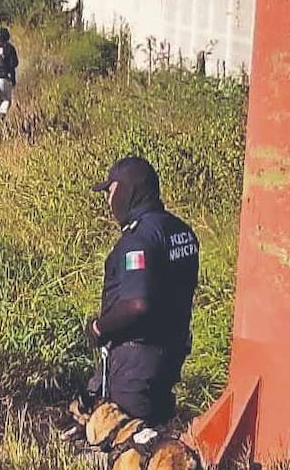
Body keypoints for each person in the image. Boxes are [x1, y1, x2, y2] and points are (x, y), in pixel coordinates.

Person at [85, 157, 199, 427]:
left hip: (137, 361)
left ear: (128, 190)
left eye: (111, 191)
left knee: (131, 445)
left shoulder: (139, 239)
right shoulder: (181, 231)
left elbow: (137, 304)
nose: (108, 201)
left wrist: (99, 327)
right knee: (157, 439)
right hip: (171, 351)